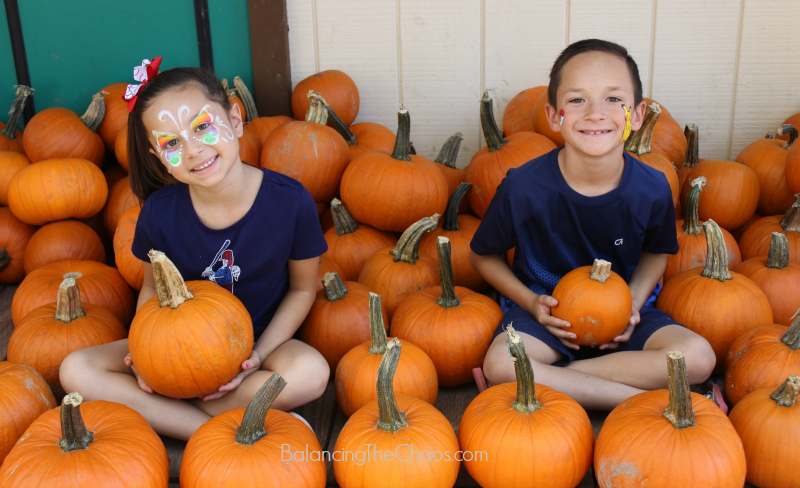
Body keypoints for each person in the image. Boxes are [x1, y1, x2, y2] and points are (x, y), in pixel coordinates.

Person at [60, 58, 329, 440]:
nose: (193, 150)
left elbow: (304, 289)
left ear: (235, 119)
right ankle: (209, 434)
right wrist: (146, 357)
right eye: (171, 143)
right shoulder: (158, 214)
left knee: (311, 372)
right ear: (158, 158)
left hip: (256, 337)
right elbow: (152, 290)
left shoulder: (290, 202)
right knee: (76, 368)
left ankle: (173, 412)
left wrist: (258, 356)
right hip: (176, 347)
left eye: (202, 126)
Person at [470, 39, 716, 410]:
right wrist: (531, 303)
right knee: (501, 363)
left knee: (699, 358)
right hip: (547, 315)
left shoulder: (652, 188)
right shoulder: (523, 187)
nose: (596, 113)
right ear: (555, 116)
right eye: (577, 99)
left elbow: (655, 252)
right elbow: (482, 257)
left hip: (625, 318)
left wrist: (632, 303)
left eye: (614, 99)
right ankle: (643, 403)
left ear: (637, 113)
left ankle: (555, 379)